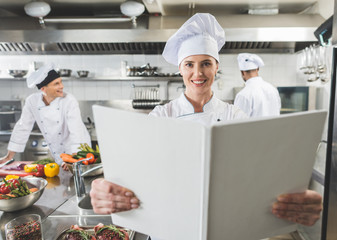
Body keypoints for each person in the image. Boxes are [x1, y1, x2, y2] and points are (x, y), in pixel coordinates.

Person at [90, 13, 322, 232]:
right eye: (189, 64)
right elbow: (135, 169)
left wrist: (294, 196)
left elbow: (259, 174)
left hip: (225, 226)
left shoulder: (235, 116)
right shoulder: (161, 116)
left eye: (206, 63)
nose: (198, 73)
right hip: (169, 227)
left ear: (216, 67)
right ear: (180, 68)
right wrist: (105, 187)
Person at [0, 63, 91, 169]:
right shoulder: (32, 101)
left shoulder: (69, 100)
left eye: (61, 82)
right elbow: (22, 127)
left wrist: (74, 158)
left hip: (78, 151)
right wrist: (9, 156)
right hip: (58, 154)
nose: (61, 86)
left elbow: (76, 131)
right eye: (56, 83)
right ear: (43, 89)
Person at [234, 53, 281, 117]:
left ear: (242, 72)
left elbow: (237, 123)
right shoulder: (273, 89)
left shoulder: (243, 95)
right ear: (258, 69)